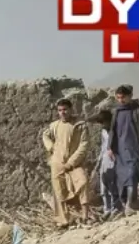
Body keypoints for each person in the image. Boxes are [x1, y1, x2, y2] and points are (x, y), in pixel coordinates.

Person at [40, 98, 93, 228]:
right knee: (59, 190)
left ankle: (85, 216)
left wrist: (71, 162)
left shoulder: (80, 125)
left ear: (70, 110)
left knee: (83, 182)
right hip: (57, 162)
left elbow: (83, 145)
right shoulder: (54, 126)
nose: (62, 112)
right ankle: (64, 220)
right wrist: (51, 147)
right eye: (60, 110)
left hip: (74, 163)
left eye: (65, 109)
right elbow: (45, 136)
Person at [107, 85, 139, 214]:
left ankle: (131, 204)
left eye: (123, 97)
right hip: (121, 150)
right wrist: (109, 147)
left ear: (130, 96)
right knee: (124, 177)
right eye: (118, 98)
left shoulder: (138, 110)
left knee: (132, 174)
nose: (121, 100)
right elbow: (112, 130)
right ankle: (128, 204)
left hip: (136, 148)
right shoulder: (116, 111)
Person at [88, 109, 120, 219]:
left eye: (103, 123)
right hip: (104, 161)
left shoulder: (116, 131)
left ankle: (115, 208)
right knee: (104, 188)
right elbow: (103, 148)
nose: (102, 125)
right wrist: (98, 163)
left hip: (113, 161)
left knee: (112, 187)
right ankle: (107, 208)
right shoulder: (103, 132)